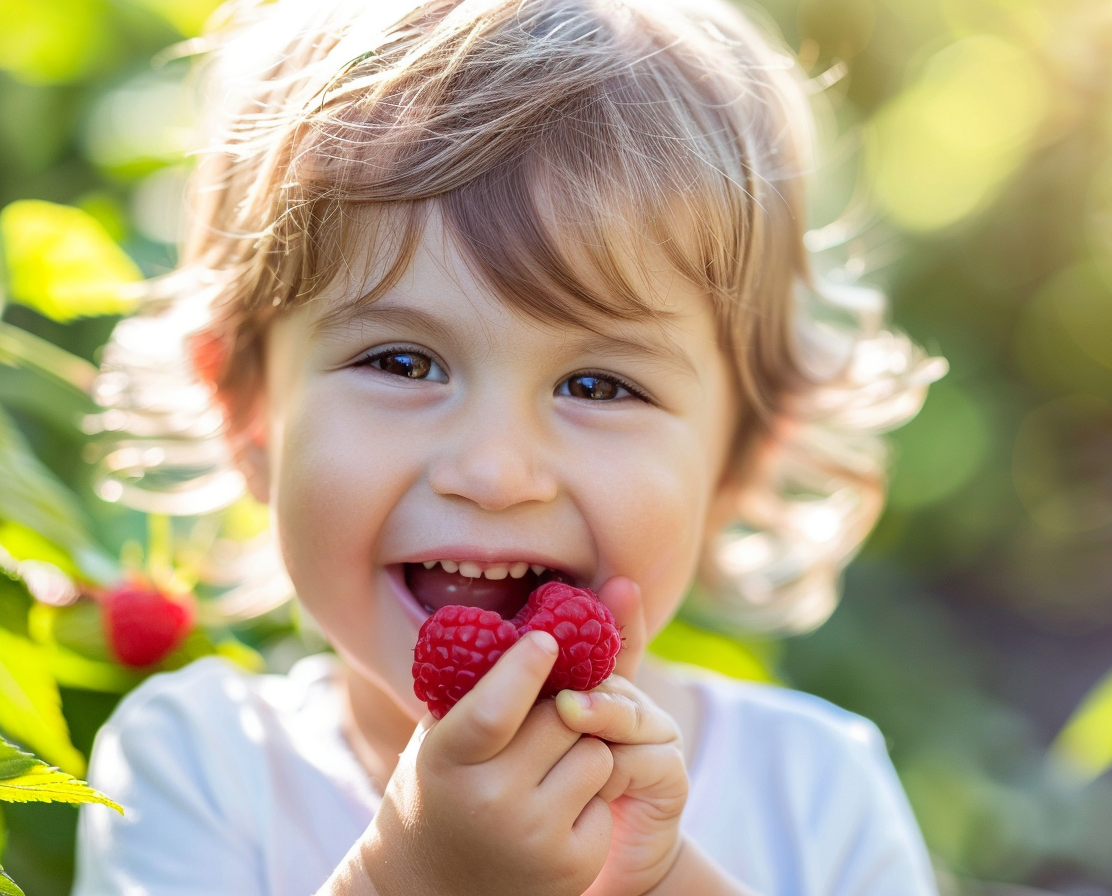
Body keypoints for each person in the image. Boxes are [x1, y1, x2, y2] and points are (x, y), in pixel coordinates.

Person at [73, 0, 947, 893]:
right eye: (403, 362)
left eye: (598, 386)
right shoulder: (195, 767)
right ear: (247, 411)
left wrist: (657, 879)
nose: (493, 473)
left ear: (739, 458)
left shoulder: (816, 795)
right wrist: (408, 877)